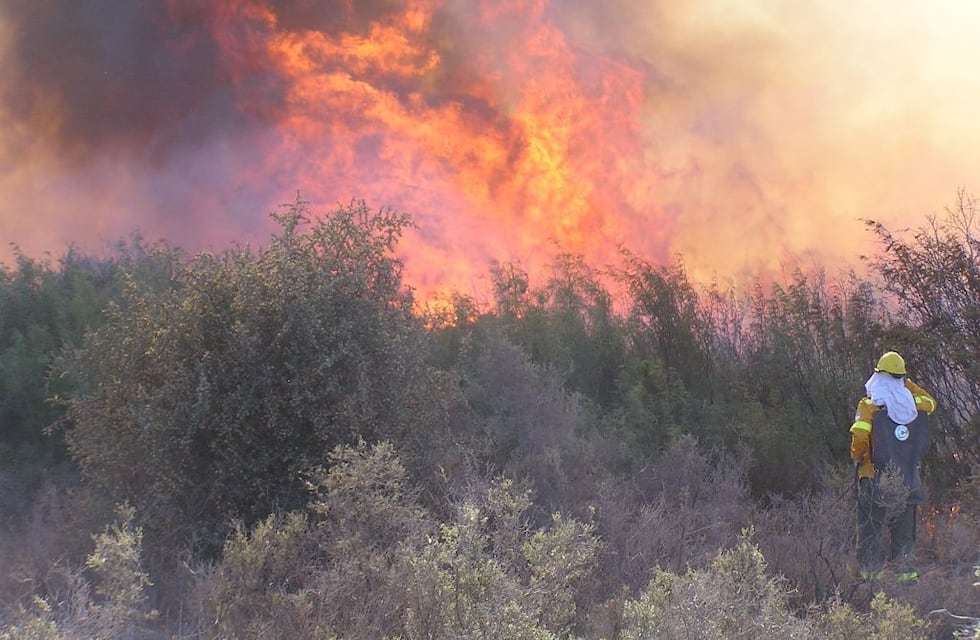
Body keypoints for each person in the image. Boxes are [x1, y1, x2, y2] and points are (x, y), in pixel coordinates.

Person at [849, 350, 937, 584]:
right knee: (904, 535)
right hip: (907, 479)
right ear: (901, 378)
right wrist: (906, 384)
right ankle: (907, 583)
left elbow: (859, 436)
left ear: (879, 376)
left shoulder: (869, 405)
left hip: (874, 477)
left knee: (871, 532)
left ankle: (870, 583)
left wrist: (857, 458)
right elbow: (931, 402)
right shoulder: (913, 405)